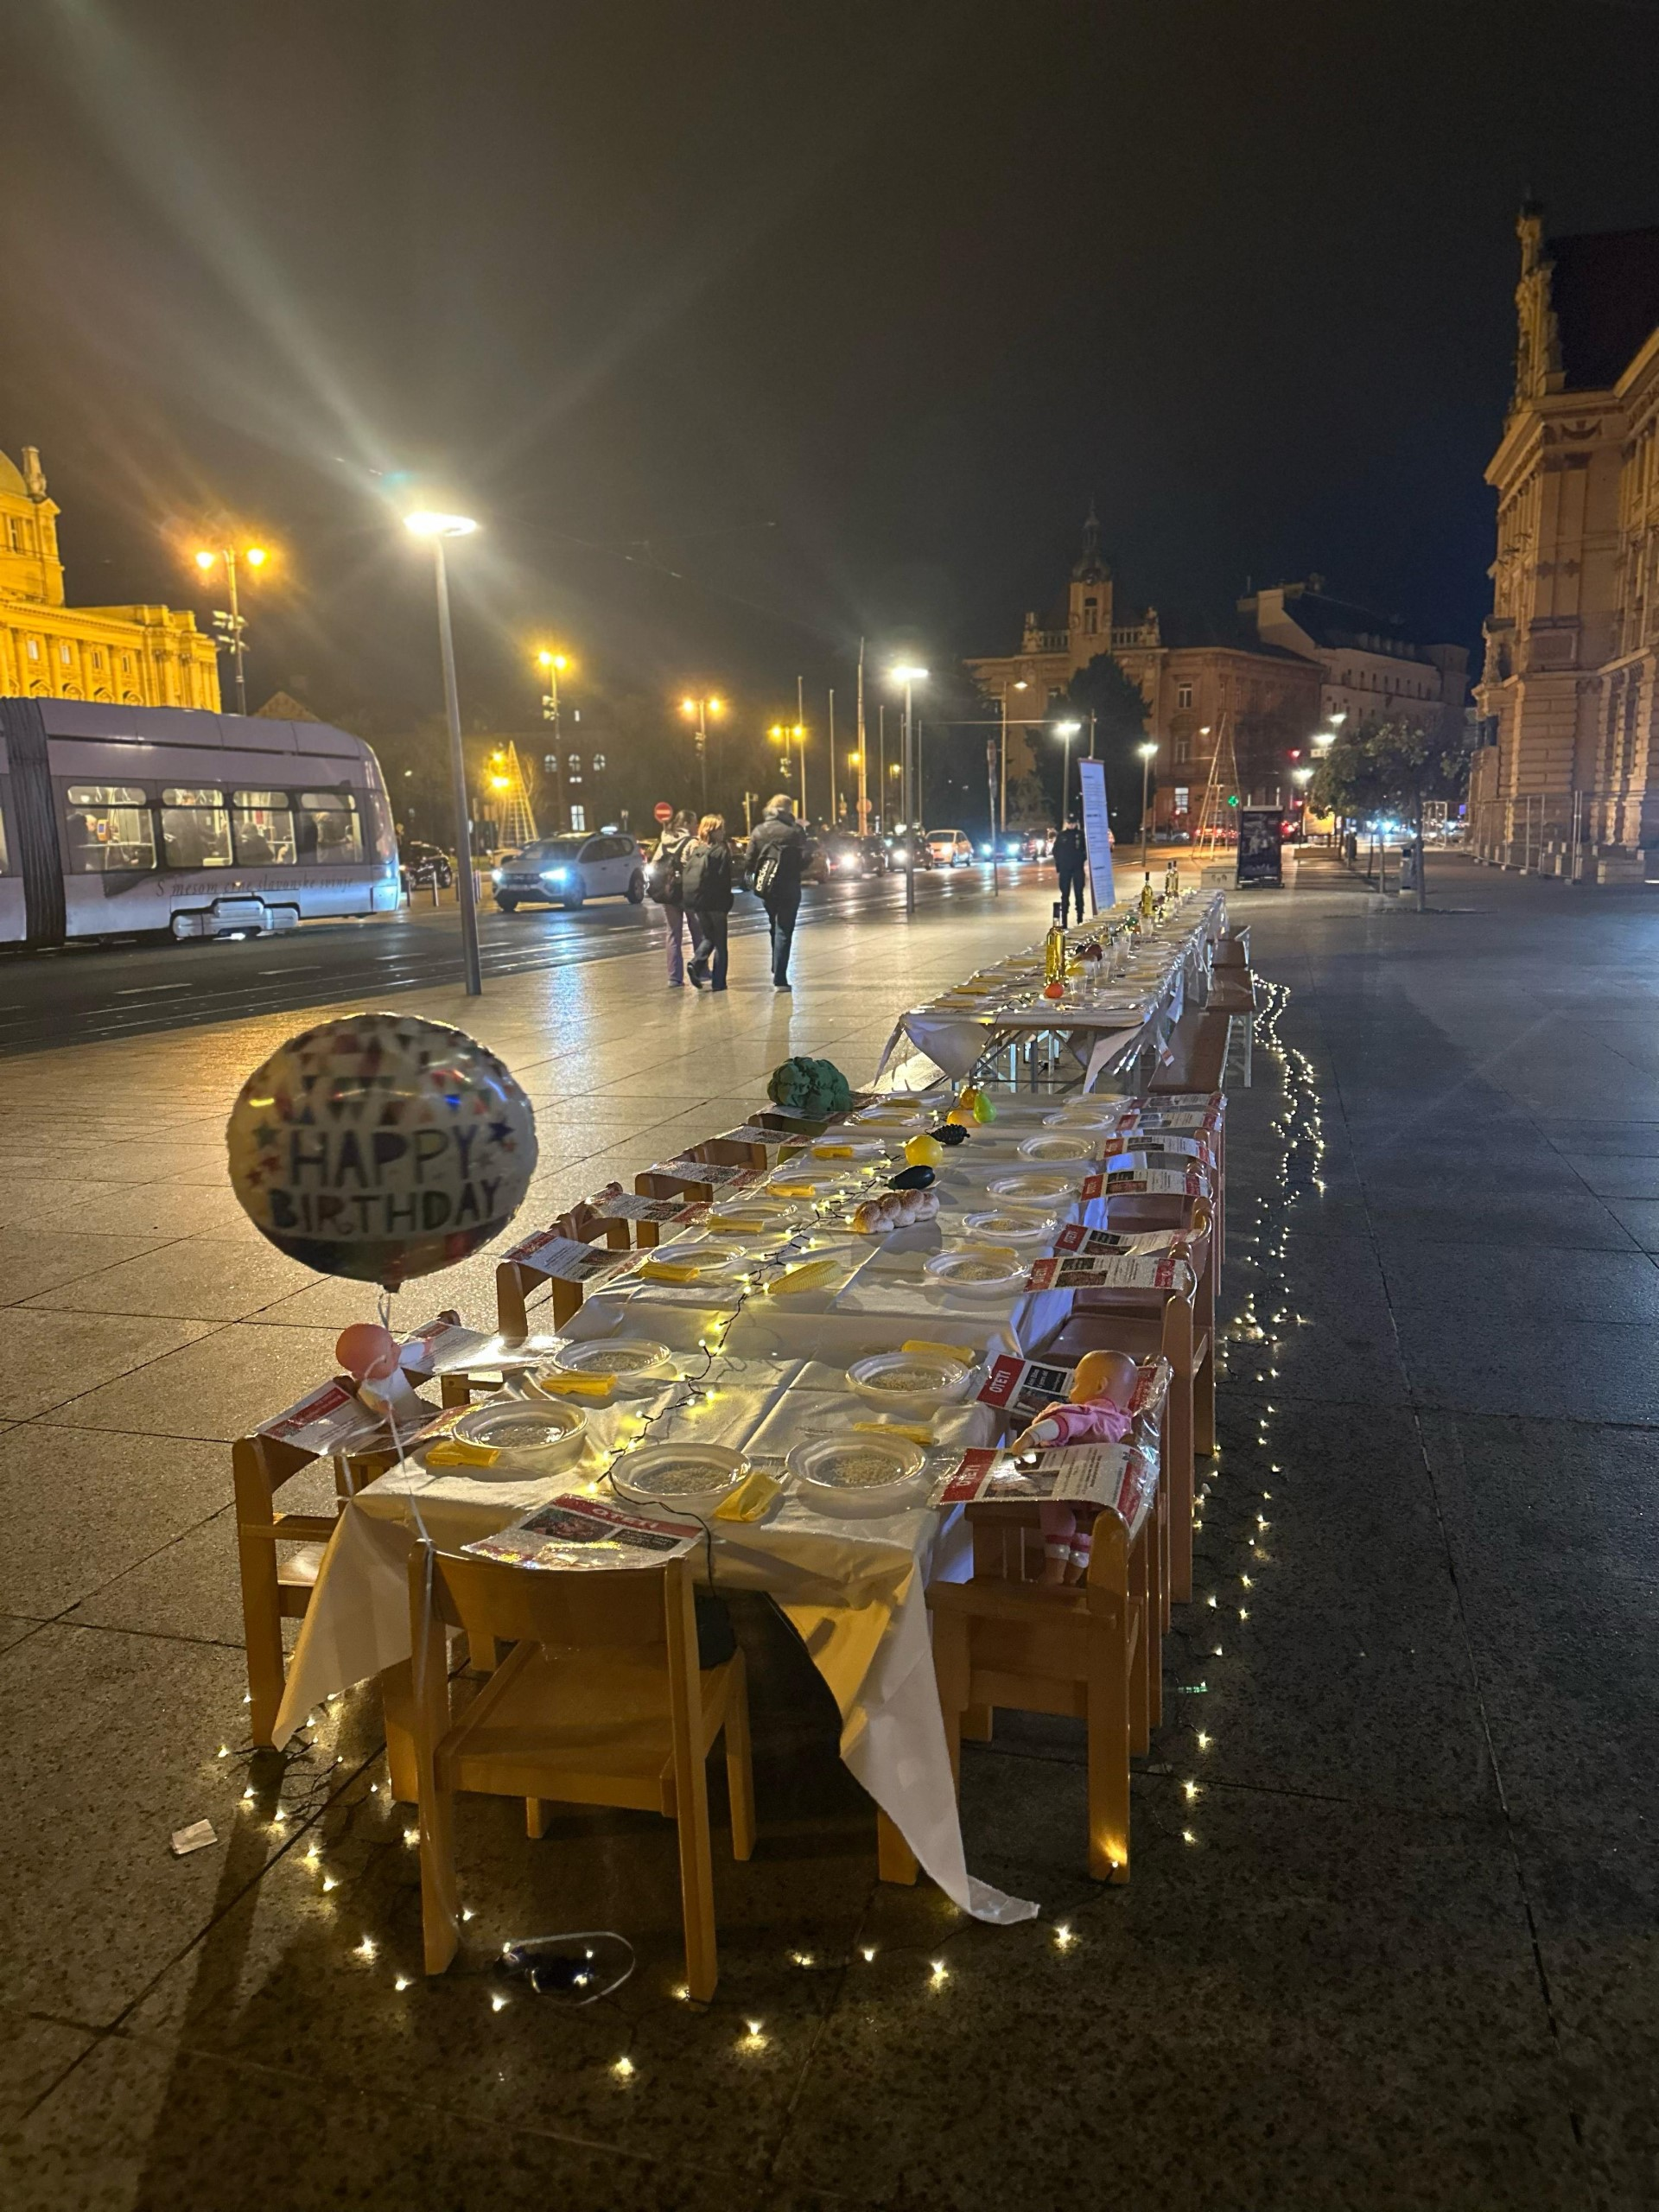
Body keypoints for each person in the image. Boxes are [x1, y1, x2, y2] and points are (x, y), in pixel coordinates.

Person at [746, 793, 811, 989]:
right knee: (785, 928)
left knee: (773, 924)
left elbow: (749, 859)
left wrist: (755, 875)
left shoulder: (759, 830)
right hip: (790, 885)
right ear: (789, 809)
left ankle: (776, 964)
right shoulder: (795, 831)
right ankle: (780, 977)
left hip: (767, 886)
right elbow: (805, 857)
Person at [683, 813, 734, 991]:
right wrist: (728, 901)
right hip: (717, 903)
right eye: (721, 829)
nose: (724, 832)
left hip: (699, 902)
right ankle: (719, 983)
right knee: (721, 943)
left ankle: (696, 963)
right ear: (713, 831)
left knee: (708, 937)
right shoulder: (722, 850)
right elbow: (725, 879)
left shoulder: (698, 850)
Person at [650, 810, 700, 986]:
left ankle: (674, 977)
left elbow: (654, 866)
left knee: (672, 933)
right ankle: (701, 970)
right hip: (688, 894)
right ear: (686, 824)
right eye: (694, 822)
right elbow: (698, 867)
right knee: (697, 932)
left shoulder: (663, 843)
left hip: (669, 895)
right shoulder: (692, 843)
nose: (697, 826)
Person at [1052, 811, 1087, 928]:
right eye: (1070, 823)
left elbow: (1086, 850)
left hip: (1077, 868)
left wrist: (1081, 859)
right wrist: (1059, 865)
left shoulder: (1080, 835)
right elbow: (1056, 851)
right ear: (1067, 823)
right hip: (1065, 869)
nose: (1071, 825)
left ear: (1076, 823)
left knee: (1079, 893)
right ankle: (1064, 921)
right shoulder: (1062, 836)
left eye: (1073, 823)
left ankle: (1080, 918)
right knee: (1064, 894)